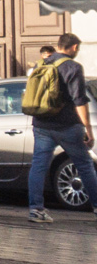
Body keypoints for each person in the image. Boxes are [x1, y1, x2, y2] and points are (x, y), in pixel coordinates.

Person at [26, 33, 97, 223]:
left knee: (38, 166)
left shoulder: (40, 64)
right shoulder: (73, 67)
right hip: (68, 126)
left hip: (41, 124)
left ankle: (36, 210)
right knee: (84, 165)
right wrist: (88, 130)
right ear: (73, 47)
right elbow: (80, 101)